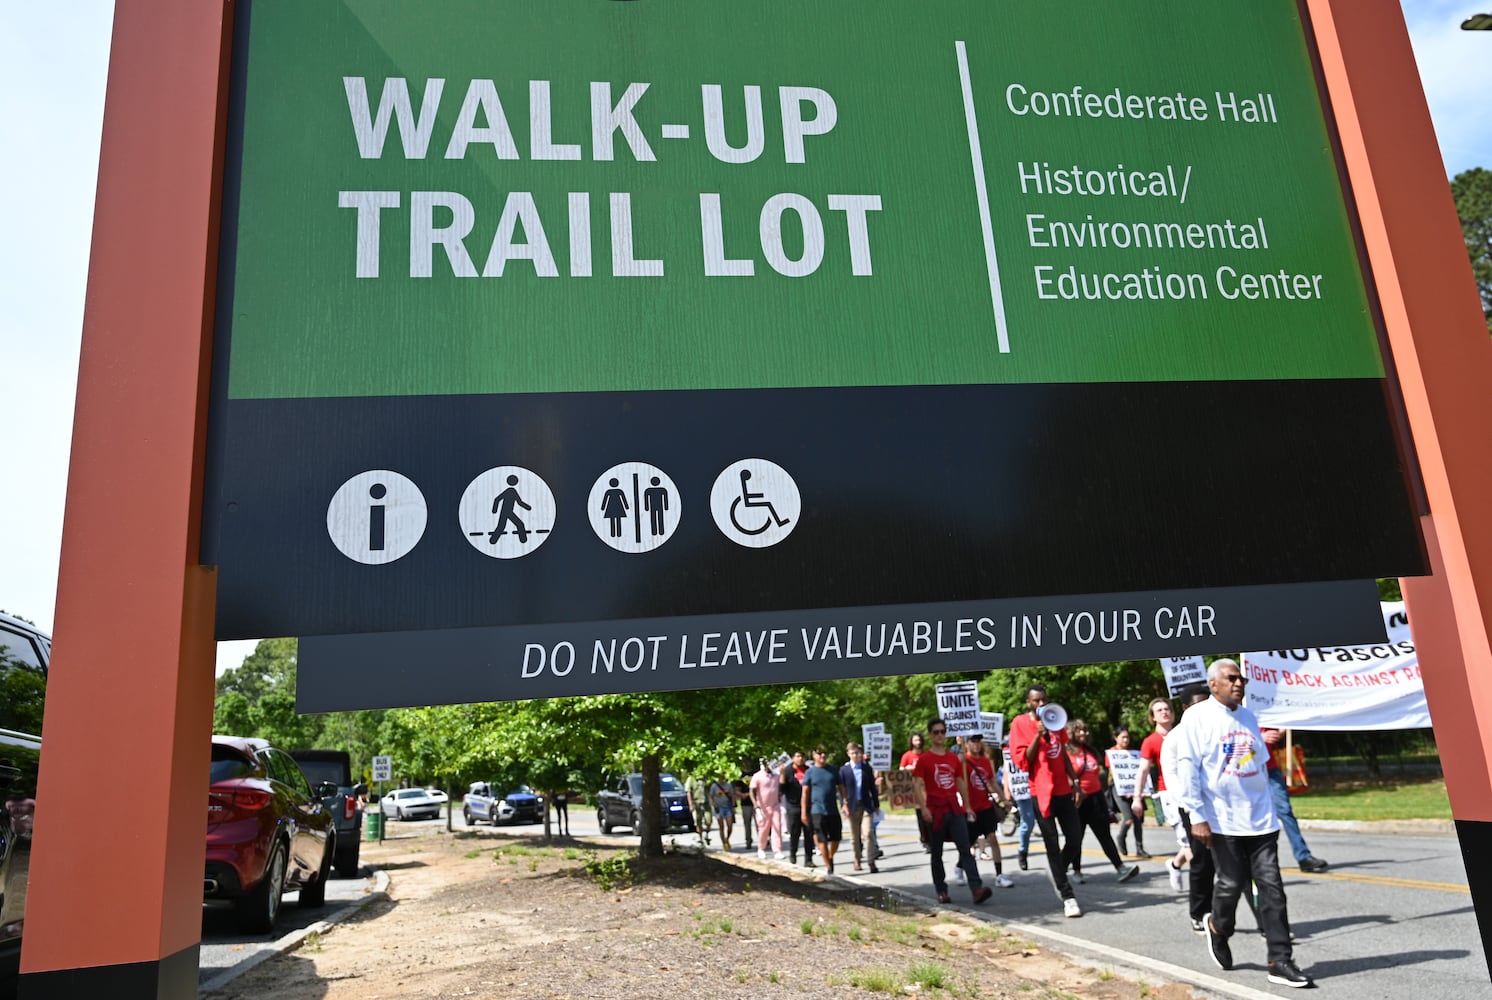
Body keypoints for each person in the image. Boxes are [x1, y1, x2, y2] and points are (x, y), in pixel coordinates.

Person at [1170, 659, 1314, 988]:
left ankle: (1280, 960)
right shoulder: (1196, 717)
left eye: (1241, 678)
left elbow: (1258, 766)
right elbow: (1188, 768)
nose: (1239, 683)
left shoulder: (1248, 717)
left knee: (1272, 891)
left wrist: (1272, 808)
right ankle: (1219, 928)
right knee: (1231, 885)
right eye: (1231, 678)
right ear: (1214, 684)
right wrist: (1197, 817)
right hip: (1222, 820)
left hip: (1260, 822)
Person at [1008, 684, 1083, 917]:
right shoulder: (1020, 724)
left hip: (1062, 789)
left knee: (1075, 837)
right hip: (1039, 791)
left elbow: (1061, 753)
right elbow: (1024, 761)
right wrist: (1038, 735)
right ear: (1028, 703)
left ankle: (1057, 869)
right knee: (1051, 841)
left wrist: (1075, 780)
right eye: (1035, 701)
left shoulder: (1055, 719)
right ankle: (1067, 895)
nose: (1040, 704)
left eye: (1043, 700)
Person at [913, 718, 993, 905]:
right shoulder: (924, 759)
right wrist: (923, 808)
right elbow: (916, 783)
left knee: (966, 848)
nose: (940, 735)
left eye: (942, 731)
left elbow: (960, 782)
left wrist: (968, 806)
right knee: (937, 852)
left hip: (954, 808)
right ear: (930, 735)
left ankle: (977, 889)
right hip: (935, 809)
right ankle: (941, 890)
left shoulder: (953, 758)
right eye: (936, 732)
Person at [1165, 685, 1215, 935]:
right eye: (1197, 705)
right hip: (1192, 808)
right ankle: (1199, 912)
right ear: (1185, 709)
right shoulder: (1175, 737)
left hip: (1219, 804)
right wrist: (1188, 805)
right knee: (1202, 861)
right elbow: (1172, 777)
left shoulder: (1216, 731)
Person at [1064, 720, 1141, 884]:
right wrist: (1075, 789)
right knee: (1077, 837)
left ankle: (1120, 868)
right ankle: (1076, 871)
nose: (1084, 733)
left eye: (1085, 730)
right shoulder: (1066, 752)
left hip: (1096, 798)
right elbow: (1063, 775)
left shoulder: (1090, 751)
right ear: (1071, 733)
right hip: (1077, 800)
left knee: (1104, 835)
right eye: (1079, 731)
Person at [1134, 696, 1190, 892]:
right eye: (1159, 710)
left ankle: (1175, 864)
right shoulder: (1150, 741)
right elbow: (1143, 770)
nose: (1165, 712)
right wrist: (1137, 797)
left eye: (1167, 709)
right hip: (1169, 794)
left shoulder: (1185, 734)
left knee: (1198, 841)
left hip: (1191, 792)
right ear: (1153, 717)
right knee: (1189, 842)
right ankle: (1205, 883)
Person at [1260, 727, 1329, 873]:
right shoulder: (1236, 710)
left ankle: (1303, 857)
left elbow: (1276, 732)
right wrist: (1260, 737)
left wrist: (1284, 728)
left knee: (1285, 811)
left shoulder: (1263, 708)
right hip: (1245, 771)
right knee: (1254, 816)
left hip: (1270, 769)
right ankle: (1260, 861)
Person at [962, 733, 1014, 887]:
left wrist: (1004, 799)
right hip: (971, 809)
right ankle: (960, 867)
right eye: (973, 741)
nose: (976, 744)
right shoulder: (963, 761)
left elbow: (992, 782)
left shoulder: (985, 761)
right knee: (968, 844)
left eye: (978, 741)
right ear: (967, 744)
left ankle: (999, 875)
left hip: (985, 807)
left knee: (993, 838)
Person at [1107, 726, 1149, 858]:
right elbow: (1116, 772)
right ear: (1116, 738)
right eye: (1123, 737)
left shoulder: (1133, 753)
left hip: (1133, 789)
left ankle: (1139, 848)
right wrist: (1125, 787)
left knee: (1138, 818)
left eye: (1127, 737)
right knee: (1129, 817)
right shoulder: (1112, 753)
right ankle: (1121, 837)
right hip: (1119, 789)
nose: (1126, 740)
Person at [801, 747, 844, 875]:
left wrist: (845, 803)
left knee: (836, 839)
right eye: (819, 753)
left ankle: (830, 856)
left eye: (825, 753)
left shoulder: (833, 770)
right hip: (817, 810)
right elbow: (805, 793)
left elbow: (841, 788)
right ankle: (828, 866)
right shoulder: (810, 772)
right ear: (814, 755)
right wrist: (804, 812)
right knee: (822, 839)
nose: (823, 755)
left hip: (833, 810)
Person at [839, 742, 880, 873]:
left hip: (866, 805)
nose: (855, 755)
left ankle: (871, 861)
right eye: (853, 753)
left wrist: (876, 804)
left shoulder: (866, 768)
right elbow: (841, 790)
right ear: (848, 754)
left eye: (857, 753)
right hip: (851, 806)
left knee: (868, 833)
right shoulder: (844, 770)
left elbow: (872, 788)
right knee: (855, 836)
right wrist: (843, 805)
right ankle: (857, 858)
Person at [1002, 738, 1037, 871]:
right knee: (1028, 823)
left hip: (1037, 787)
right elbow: (1008, 770)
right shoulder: (1009, 748)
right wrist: (1006, 790)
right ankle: (1023, 851)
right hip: (1022, 790)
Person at [780, 751, 816, 867]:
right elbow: (782, 789)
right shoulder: (788, 771)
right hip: (793, 806)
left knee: (809, 833)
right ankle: (793, 853)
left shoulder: (808, 770)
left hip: (808, 806)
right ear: (793, 758)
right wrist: (782, 775)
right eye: (797, 756)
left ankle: (808, 859)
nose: (800, 758)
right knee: (795, 833)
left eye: (802, 756)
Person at [901, 732, 931, 853]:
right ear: (911, 742)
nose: (917, 742)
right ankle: (924, 839)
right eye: (915, 740)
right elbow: (900, 772)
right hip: (914, 790)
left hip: (927, 790)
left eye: (919, 740)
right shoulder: (907, 756)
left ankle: (931, 839)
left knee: (930, 816)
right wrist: (907, 768)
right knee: (921, 817)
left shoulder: (926, 755)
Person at [750, 758, 785, 860]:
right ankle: (761, 848)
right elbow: (752, 791)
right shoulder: (758, 776)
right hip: (762, 807)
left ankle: (777, 850)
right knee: (763, 829)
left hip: (775, 806)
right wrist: (755, 805)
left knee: (777, 828)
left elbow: (781, 786)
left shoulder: (776, 776)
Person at [707, 775, 737, 849]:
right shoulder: (714, 786)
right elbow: (711, 796)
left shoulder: (729, 785)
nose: (722, 780)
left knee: (730, 825)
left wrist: (733, 806)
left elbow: (733, 795)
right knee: (721, 827)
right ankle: (724, 843)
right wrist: (714, 805)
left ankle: (727, 838)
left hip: (728, 807)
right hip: (719, 808)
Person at [733, 767, 756, 852]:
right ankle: (748, 841)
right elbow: (736, 790)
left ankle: (763, 840)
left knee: (759, 823)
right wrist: (743, 795)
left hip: (756, 803)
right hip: (745, 803)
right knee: (747, 823)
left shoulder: (755, 774)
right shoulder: (740, 776)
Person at [686, 773, 712, 846]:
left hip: (706, 803)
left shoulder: (706, 777)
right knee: (698, 821)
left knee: (709, 820)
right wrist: (691, 804)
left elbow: (710, 788)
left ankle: (706, 835)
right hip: (696, 803)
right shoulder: (691, 778)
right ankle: (700, 838)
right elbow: (688, 792)